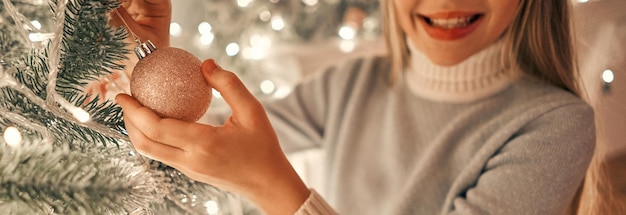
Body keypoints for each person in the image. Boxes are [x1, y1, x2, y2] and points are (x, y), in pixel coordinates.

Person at [113, 0, 596, 214]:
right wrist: (145, 69)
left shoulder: (554, 125)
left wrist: (274, 188)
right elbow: (214, 138)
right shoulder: (353, 83)